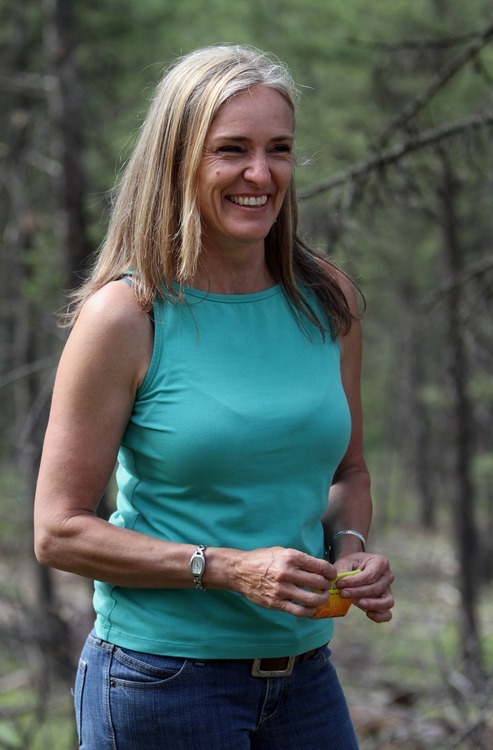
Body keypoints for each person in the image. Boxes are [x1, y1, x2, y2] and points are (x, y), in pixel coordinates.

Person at [34, 44, 394, 750]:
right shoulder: (127, 316)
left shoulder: (328, 300)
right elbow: (57, 530)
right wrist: (227, 569)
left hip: (304, 680)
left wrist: (351, 548)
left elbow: (348, 474)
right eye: (231, 150)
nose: (260, 174)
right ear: (179, 160)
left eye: (279, 149)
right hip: (163, 682)